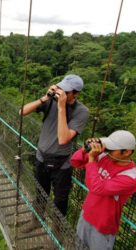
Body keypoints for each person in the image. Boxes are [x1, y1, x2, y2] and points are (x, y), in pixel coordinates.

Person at [20, 74, 89, 232]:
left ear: (75, 93)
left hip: (62, 164)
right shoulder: (50, 101)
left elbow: (64, 139)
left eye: (65, 91)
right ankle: (36, 220)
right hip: (41, 157)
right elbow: (22, 112)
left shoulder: (81, 111)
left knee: (60, 201)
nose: (60, 92)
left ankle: (57, 232)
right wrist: (44, 98)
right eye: (60, 88)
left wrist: (62, 107)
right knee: (40, 193)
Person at [70, 130, 136, 250]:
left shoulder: (131, 177)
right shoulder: (104, 156)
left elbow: (96, 187)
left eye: (112, 149)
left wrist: (92, 158)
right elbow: (76, 162)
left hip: (103, 224)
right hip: (86, 213)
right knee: (78, 246)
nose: (108, 152)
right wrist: (85, 149)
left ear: (127, 152)